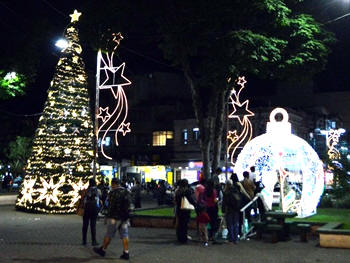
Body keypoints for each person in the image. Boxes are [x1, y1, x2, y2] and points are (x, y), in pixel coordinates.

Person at [93, 178, 131, 260]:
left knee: (109, 234)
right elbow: (129, 205)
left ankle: (103, 250)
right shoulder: (126, 192)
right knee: (125, 235)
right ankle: (126, 252)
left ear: (113, 184)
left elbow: (110, 206)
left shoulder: (112, 193)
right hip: (124, 217)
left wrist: (107, 216)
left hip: (114, 217)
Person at [174, 179, 196, 243]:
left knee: (180, 224)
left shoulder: (178, 191)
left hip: (179, 209)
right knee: (184, 225)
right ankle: (183, 238)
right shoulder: (186, 191)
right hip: (185, 210)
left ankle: (180, 237)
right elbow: (190, 199)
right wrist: (195, 205)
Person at [81, 178, 101, 246]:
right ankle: (93, 240)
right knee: (93, 225)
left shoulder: (86, 190)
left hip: (87, 209)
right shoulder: (98, 191)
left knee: (85, 225)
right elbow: (99, 199)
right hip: (94, 209)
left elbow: (83, 200)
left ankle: (84, 240)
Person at [222, 179, 240, 244]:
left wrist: (223, 210)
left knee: (230, 225)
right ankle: (236, 239)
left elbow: (224, 202)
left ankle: (231, 239)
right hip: (236, 209)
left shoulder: (226, 192)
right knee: (235, 224)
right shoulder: (236, 190)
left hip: (229, 210)